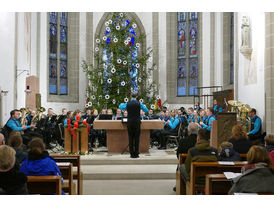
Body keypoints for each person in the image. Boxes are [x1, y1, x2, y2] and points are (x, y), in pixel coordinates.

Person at [179, 129, 218, 194]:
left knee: (182, 167)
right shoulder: (214, 150)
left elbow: (188, 168)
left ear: (198, 138)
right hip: (211, 178)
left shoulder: (192, 151)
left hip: (196, 179)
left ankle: (189, 186)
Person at [119, 92, 149, 158]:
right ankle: (137, 153)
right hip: (137, 122)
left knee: (130, 137)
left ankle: (131, 154)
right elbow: (146, 110)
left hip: (129, 122)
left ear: (130, 97)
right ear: (137, 97)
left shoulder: (128, 103)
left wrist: (122, 103)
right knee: (137, 138)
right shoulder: (139, 103)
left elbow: (120, 107)